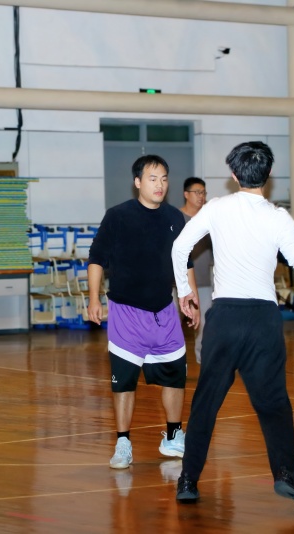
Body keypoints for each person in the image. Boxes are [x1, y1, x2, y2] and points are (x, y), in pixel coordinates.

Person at [172, 141, 294, 511]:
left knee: (206, 401)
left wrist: (185, 292)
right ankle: (288, 476)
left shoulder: (216, 207)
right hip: (263, 320)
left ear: (233, 174)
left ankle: (188, 479)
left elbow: (179, 248)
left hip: (225, 317)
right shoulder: (278, 216)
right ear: (269, 174)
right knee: (274, 403)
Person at [86, 155, 200, 470]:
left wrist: (190, 299)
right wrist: (94, 299)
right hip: (126, 314)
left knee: (175, 377)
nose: (159, 184)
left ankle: (173, 436)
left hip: (164, 312)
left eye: (164, 178)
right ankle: (123, 442)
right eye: (152, 178)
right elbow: (96, 258)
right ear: (137, 182)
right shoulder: (117, 216)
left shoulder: (175, 218)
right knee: (124, 382)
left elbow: (185, 262)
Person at [179, 177, 213, 364]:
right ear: (186, 194)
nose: (201, 196)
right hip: (177, 283)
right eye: (197, 192)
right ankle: (173, 363)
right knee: (172, 324)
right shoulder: (175, 218)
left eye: (203, 193)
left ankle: (203, 361)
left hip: (203, 281)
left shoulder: (208, 219)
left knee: (205, 324)